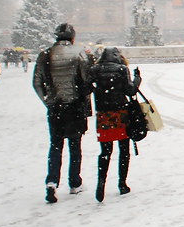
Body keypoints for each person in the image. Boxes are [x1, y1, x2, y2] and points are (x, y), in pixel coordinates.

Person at [33, 23, 91, 203]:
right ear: (72, 37)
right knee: (75, 146)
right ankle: (74, 182)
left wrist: (48, 101)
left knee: (56, 145)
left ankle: (51, 181)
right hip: (73, 106)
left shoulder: (45, 55)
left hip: (55, 107)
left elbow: (36, 82)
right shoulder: (79, 53)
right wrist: (86, 106)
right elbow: (86, 82)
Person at [89, 47, 142, 202]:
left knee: (105, 151)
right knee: (123, 150)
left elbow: (85, 87)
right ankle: (122, 183)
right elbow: (131, 91)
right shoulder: (121, 69)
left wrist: (98, 90)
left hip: (104, 115)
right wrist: (137, 78)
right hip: (120, 113)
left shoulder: (95, 69)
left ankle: (101, 181)